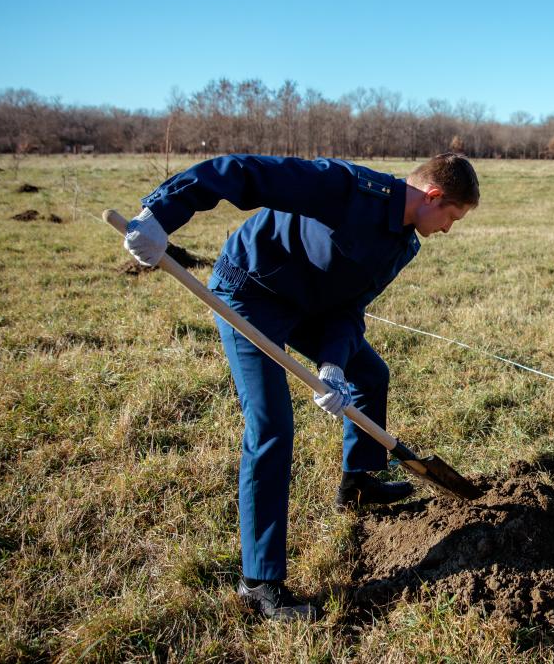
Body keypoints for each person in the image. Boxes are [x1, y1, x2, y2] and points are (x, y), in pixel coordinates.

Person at [122, 153, 479, 620]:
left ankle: (358, 482)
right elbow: (242, 172)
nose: (450, 229)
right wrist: (160, 214)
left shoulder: (403, 245)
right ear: (433, 196)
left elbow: (350, 307)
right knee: (272, 427)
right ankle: (260, 581)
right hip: (249, 293)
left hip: (305, 307)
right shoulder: (345, 187)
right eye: (452, 217)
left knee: (370, 375)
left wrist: (333, 362)